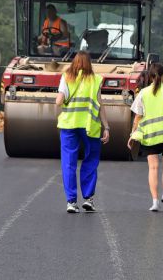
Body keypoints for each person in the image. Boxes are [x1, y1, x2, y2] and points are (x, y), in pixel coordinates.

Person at [56, 50, 110, 213]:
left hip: (68, 126)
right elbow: (100, 106)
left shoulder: (66, 77)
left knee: (69, 163)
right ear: (89, 63)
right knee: (90, 161)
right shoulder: (95, 80)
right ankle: (88, 199)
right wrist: (106, 127)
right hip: (90, 127)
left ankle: (71, 202)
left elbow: (59, 101)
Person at [128, 63, 163, 212]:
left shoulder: (143, 93)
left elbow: (137, 117)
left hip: (150, 135)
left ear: (150, 77)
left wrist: (132, 134)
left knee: (153, 167)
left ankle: (155, 202)